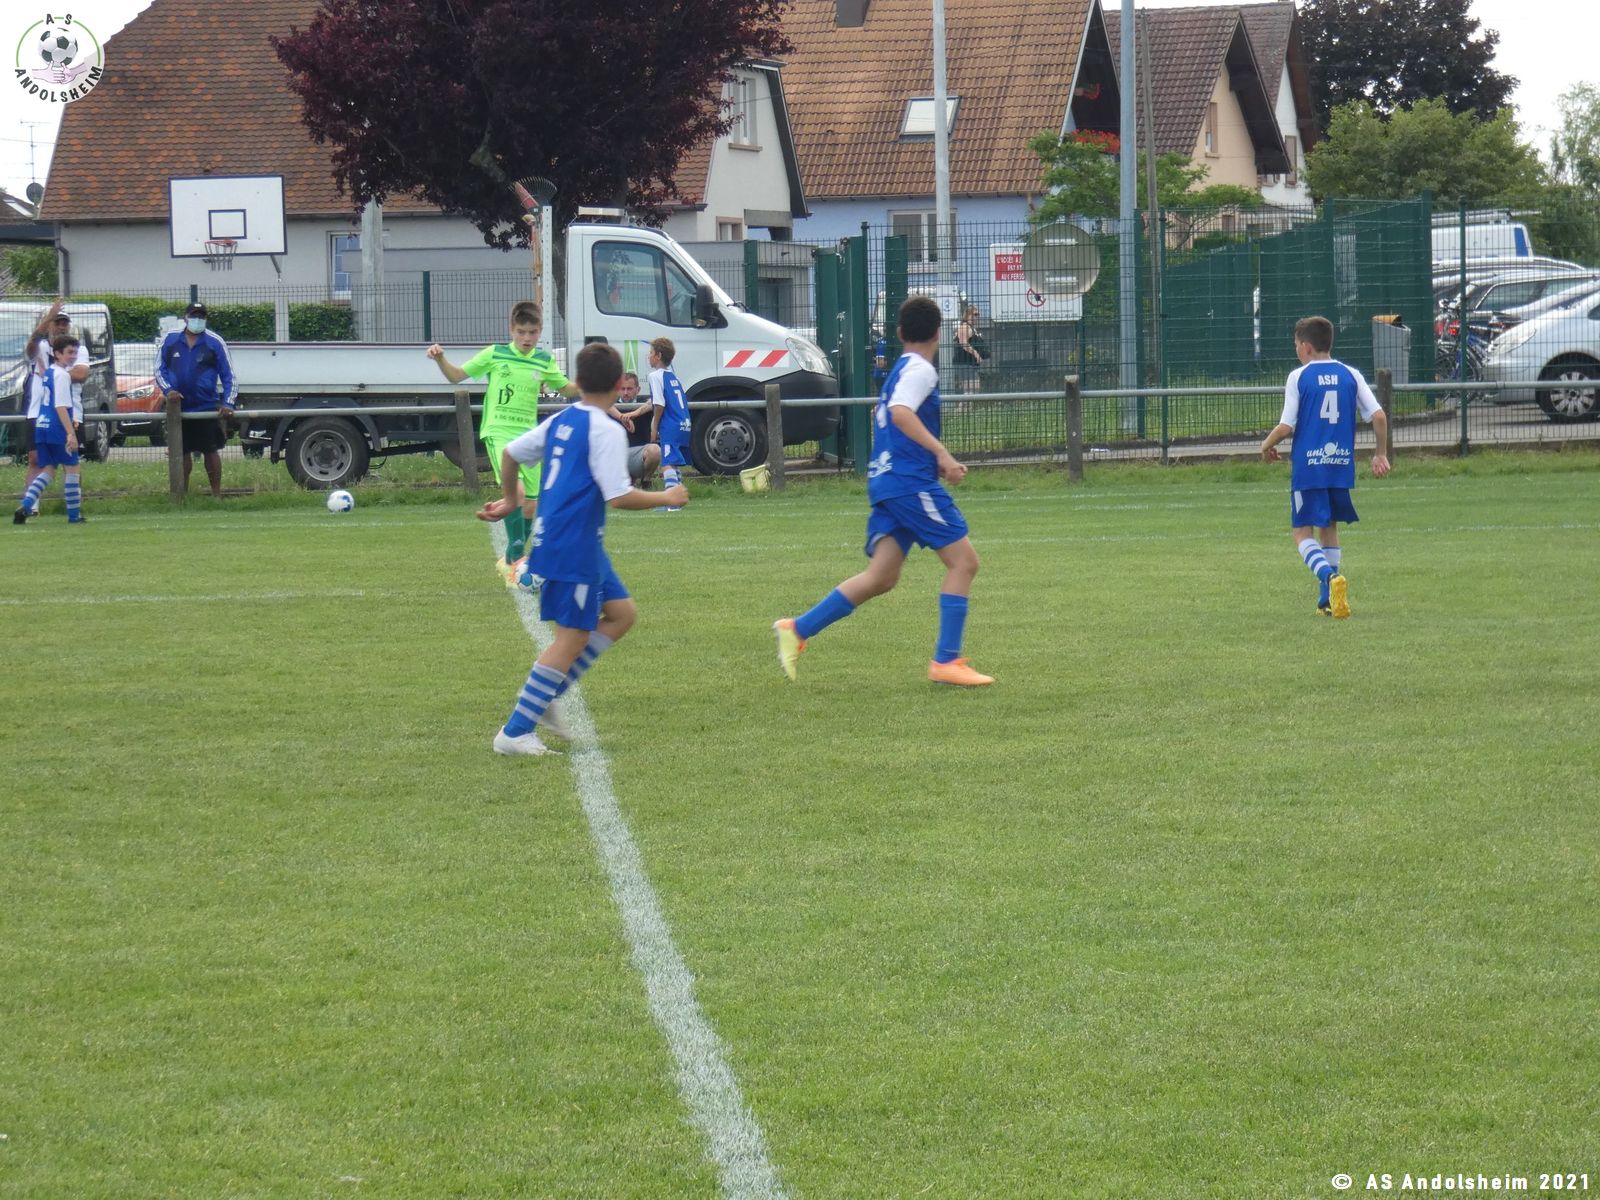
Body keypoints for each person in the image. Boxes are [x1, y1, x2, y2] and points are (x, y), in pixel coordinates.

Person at [478, 342, 689, 756]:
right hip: (570, 544)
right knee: (571, 638)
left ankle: (548, 695)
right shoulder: (605, 429)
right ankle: (515, 732)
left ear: (576, 381)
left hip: (577, 542)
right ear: (619, 384)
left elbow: (510, 453)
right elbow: (618, 496)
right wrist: (667, 497)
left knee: (622, 614)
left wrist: (510, 497)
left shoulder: (563, 419)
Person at [773, 296, 993, 687]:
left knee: (881, 577)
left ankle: (798, 628)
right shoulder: (921, 370)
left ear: (900, 333)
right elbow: (901, 414)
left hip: (888, 481)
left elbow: (892, 422)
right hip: (909, 483)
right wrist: (941, 454)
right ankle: (946, 661)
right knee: (964, 563)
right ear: (938, 333)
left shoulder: (898, 371)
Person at [428, 301, 579, 580]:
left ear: (540, 331)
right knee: (516, 494)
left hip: (529, 436)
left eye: (532, 332)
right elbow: (457, 376)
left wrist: (591, 382)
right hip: (499, 431)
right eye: (521, 332)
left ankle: (510, 557)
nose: (526, 338)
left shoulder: (544, 360)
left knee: (531, 503)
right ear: (512, 329)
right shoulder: (495, 354)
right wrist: (440, 360)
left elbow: (567, 388)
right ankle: (519, 561)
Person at [1260, 315, 1391, 618]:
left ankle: (1330, 577)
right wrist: (1380, 454)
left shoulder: (1299, 377)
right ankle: (1327, 601)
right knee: (1329, 528)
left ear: (1306, 346)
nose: (1296, 350)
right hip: (1339, 465)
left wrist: (1264, 446)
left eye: (1296, 345)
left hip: (1309, 467)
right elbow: (1379, 416)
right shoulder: (1351, 374)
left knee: (1301, 533)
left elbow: (1285, 426)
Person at [156, 302, 237, 497]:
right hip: (179, 408)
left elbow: (229, 376)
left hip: (206, 406)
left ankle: (216, 496)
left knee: (211, 450)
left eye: (201, 316)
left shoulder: (215, 342)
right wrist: (169, 391)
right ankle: (180, 497)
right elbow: (159, 369)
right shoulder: (171, 339)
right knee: (181, 452)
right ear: (185, 317)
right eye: (194, 316)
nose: (197, 320)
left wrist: (228, 403)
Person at [20, 302, 91, 513]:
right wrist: (47, 317)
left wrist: (53, 375)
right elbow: (31, 346)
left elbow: (81, 374)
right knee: (38, 460)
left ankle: (73, 507)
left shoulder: (78, 349)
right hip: (40, 413)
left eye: (64, 323)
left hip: (70, 412)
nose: (60, 327)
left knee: (71, 461)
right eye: (56, 322)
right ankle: (30, 506)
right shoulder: (41, 347)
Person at [647, 337, 691, 507]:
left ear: (658, 355)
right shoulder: (673, 376)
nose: (648, 356)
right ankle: (678, 499)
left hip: (670, 425)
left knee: (666, 464)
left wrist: (654, 426)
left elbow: (659, 404)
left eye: (651, 352)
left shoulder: (654, 376)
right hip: (684, 423)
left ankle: (671, 503)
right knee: (674, 463)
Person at [613, 370, 660, 485]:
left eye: (629, 389)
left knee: (655, 451)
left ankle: (646, 481)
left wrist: (635, 413)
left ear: (638, 390)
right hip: (615, 456)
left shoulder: (644, 404)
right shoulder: (612, 406)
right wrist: (622, 417)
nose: (625, 393)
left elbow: (658, 400)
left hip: (638, 454)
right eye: (622, 389)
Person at [955, 304, 989, 395]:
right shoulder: (965, 327)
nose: (977, 317)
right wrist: (976, 354)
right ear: (968, 315)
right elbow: (964, 343)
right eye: (975, 314)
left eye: (978, 315)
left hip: (971, 363)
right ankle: (963, 405)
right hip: (965, 363)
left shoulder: (971, 328)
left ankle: (966, 404)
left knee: (973, 390)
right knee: (970, 390)